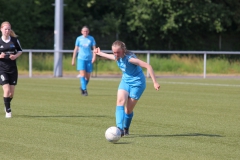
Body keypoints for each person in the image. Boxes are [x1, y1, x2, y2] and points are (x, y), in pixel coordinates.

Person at [94, 40, 160, 136]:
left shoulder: (130, 59)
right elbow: (109, 56)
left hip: (138, 84)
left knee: (128, 110)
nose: (116, 54)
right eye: (114, 52)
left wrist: (155, 82)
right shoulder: (117, 57)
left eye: (118, 52)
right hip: (125, 82)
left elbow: (148, 66)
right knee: (120, 102)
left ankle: (126, 128)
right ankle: (119, 129)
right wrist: (99, 53)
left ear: (123, 50)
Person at [0, 21, 23, 118]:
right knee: (7, 90)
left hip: (12, 69)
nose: (7, 31)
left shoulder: (14, 40)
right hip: (2, 69)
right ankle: (8, 111)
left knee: (11, 93)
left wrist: (15, 56)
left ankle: (7, 103)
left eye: (9, 29)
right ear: (1, 29)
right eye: (5, 29)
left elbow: (20, 51)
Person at [71, 26, 96, 96]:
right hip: (81, 59)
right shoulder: (79, 39)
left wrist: (94, 57)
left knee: (88, 77)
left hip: (89, 59)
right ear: (81, 32)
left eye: (87, 31)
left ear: (88, 32)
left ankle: (82, 87)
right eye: (84, 31)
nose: (85, 32)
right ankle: (84, 90)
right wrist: (73, 59)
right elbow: (75, 49)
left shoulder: (91, 38)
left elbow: (94, 49)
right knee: (82, 74)